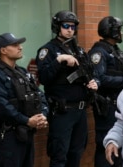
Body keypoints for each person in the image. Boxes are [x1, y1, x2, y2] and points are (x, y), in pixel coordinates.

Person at [35, 10, 98, 167]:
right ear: (57, 27)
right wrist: (59, 60)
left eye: (73, 27)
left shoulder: (79, 50)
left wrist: (93, 83)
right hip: (62, 111)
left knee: (76, 153)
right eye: (66, 26)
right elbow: (43, 77)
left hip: (80, 110)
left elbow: (90, 73)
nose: (70, 30)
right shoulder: (48, 50)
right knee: (59, 155)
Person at [0, 32, 49, 167]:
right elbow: (1, 107)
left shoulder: (22, 72)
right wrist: (27, 120)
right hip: (9, 136)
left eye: (20, 44)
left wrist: (42, 116)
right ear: (3, 50)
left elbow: (39, 95)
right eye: (15, 45)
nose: (20, 47)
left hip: (27, 133)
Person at [88, 16, 123, 167]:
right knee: (105, 146)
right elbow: (99, 78)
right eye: (119, 30)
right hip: (107, 108)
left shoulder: (116, 51)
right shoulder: (99, 53)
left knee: (118, 148)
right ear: (112, 32)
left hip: (119, 106)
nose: (122, 33)